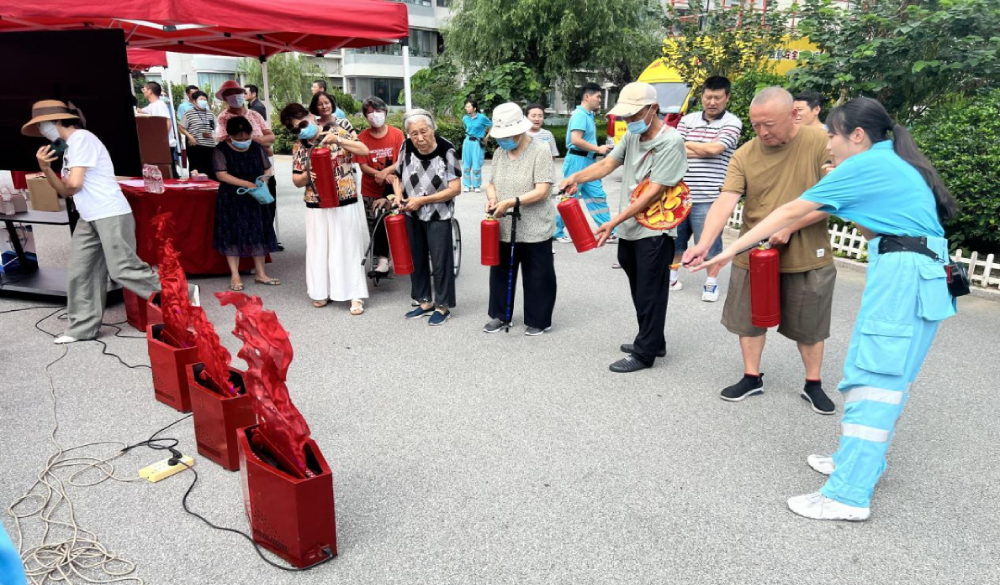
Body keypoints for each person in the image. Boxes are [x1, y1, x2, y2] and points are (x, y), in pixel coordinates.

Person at [689, 97, 958, 521]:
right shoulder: (890, 161)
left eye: (833, 135)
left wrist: (726, 252)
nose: (828, 144)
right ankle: (858, 462)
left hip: (904, 279)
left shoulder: (867, 164)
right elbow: (869, 225)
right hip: (919, 275)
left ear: (857, 135)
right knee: (888, 379)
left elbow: (789, 211)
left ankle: (848, 494)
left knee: (873, 380)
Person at [682, 87, 837, 414]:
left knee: (810, 325)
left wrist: (791, 225)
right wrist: (704, 244)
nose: (763, 132)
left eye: (770, 124)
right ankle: (751, 376)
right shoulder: (745, 154)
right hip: (753, 253)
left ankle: (813, 383)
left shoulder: (820, 142)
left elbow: (834, 197)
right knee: (748, 320)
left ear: (793, 115)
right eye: (756, 125)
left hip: (808, 253)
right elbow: (726, 200)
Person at [22, 100, 198, 344]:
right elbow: (66, 190)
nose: (42, 131)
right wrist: (47, 168)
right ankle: (82, 328)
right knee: (81, 271)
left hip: (109, 212)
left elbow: (72, 187)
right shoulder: (70, 147)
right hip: (89, 215)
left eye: (43, 125)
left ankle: (184, 293)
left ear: (57, 121)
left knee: (123, 268)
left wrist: (45, 168)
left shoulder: (82, 139)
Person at [559, 82, 688, 372]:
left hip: (655, 227)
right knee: (639, 286)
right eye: (626, 116)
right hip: (630, 225)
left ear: (653, 109)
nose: (629, 121)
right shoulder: (632, 137)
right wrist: (576, 177)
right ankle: (654, 340)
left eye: (634, 115)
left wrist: (613, 223)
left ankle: (644, 353)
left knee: (650, 290)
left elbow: (653, 192)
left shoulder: (671, 141)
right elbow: (607, 165)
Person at [282, 102, 371, 313]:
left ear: (311, 116)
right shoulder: (299, 147)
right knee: (319, 248)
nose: (301, 130)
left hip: (344, 198)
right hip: (316, 202)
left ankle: (354, 294)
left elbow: (364, 151)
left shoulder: (337, 131)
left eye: (303, 124)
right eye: (296, 129)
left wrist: (339, 140)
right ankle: (321, 291)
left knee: (348, 246)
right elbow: (296, 180)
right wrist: (306, 176)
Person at [483, 103, 557, 335]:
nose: (503, 140)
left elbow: (542, 190)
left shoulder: (540, 150)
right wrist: (493, 198)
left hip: (535, 224)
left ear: (520, 131)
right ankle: (500, 314)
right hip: (504, 223)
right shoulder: (499, 153)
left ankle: (538, 319)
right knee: (500, 271)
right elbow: (491, 183)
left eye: (507, 136)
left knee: (538, 274)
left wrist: (511, 202)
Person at [388, 109, 462, 326]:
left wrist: (422, 200)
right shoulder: (406, 146)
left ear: (433, 129)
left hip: (439, 214)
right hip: (411, 212)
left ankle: (443, 306)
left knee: (440, 261)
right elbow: (397, 175)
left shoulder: (447, 149)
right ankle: (424, 302)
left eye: (424, 131)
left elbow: (455, 188)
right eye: (414, 133)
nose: (420, 138)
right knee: (416, 258)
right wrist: (398, 195)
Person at [673, 76, 743, 301]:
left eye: (718, 98)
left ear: (727, 98)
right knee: (675, 240)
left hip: (710, 195)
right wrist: (704, 148)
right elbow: (674, 149)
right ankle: (672, 277)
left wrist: (687, 145)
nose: (712, 102)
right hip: (680, 194)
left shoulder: (732, 122)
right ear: (702, 96)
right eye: (708, 97)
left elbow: (716, 150)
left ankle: (711, 283)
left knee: (709, 243)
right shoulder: (688, 119)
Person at [212, 116, 280, 291]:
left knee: (258, 232)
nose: (243, 141)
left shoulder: (256, 147)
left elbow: (267, 167)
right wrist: (246, 184)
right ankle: (235, 275)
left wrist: (263, 179)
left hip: (256, 196)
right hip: (232, 197)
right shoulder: (221, 149)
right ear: (229, 135)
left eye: (246, 137)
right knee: (232, 234)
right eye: (239, 138)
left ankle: (261, 273)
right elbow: (221, 174)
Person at [554, 82, 616, 244]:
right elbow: (576, 140)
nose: (600, 100)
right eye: (598, 96)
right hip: (578, 160)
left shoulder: (588, 115)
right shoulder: (580, 115)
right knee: (569, 196)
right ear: (587, 97)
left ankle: (608, 230)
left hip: (588, 160)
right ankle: (555, 231)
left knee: (597, 195)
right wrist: (598, 149)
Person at [355, 96, 405, 274]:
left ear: (385, 112)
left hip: (394, 187)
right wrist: (378, 174)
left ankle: (399, 254)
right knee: (375, 225)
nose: (374, 115)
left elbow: (401, 160)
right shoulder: (361, 138)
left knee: (396, 221)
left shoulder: (397, 134)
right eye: (370, 112)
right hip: (371, 188)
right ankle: (381, 258)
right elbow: (363, 165)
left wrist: (385, 173)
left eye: (378, 111)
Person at [140, 81, 177, 177]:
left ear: (150, 91)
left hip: (165, 144)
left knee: (168, 171)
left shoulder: (159, 105)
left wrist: (161, 139)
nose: (143, 91)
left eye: (144, 89)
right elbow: (141, 111)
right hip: (160, 144)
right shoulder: (152, 105)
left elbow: (167, 122)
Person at [178, 91, 217, 180]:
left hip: (210, 144)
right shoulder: (188, 113)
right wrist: (189, 136)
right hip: (195, 144)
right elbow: (181, 127)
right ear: (195, 101)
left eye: (205, 100)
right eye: (201, 99)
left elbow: (216, 127)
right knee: (197, 169)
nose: (203, 101)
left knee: (210, 169)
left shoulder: (211, 114)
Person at [461, 99, 491, 192]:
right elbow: (466, 129)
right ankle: (467, 185)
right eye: (466, 106)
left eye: (468, 106)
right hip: (467, 142)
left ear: (474, 108)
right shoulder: (465, 118)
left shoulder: (482, 118)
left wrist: (486, 138)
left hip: (477, 143)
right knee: (466, 165)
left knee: (476, 165)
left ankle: (476, 185)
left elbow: (492, 126)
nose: (466, 108)